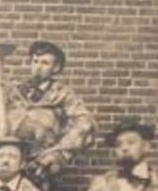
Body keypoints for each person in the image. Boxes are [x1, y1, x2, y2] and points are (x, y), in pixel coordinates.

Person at [6, 40, 96, 183]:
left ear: (56, 68)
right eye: (35, 61)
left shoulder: (63, 94)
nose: (38, 67)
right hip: (9, 157)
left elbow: (85, 122)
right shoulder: (14, 91)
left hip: (42, 161)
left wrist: (59, 151)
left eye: (45, 63)